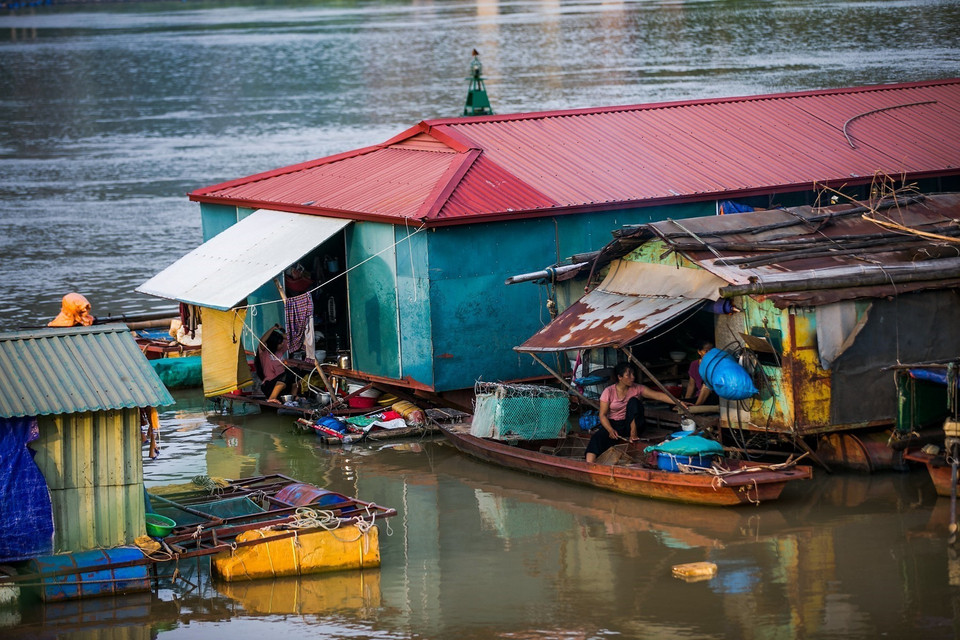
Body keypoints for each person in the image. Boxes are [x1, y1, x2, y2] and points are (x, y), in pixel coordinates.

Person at [585, 362, 687, 463]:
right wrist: (610, 430)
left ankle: (633, 434)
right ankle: (590, 465)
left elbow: (658, 395)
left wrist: (679, 402)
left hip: (635, 425)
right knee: (597, 438)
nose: (632, 377)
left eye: (633, 374)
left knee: (633, 401)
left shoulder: (637, 388)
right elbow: (602, 415)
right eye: (628, 375)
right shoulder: (608, 391)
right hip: (615, 424)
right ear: (620, 377)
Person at [255, 324, 296, 404]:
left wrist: (279, 333)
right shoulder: (265, 353)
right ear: (273, 343)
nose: (282, 345)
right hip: (270, 386)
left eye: (281, 343)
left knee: (295, 371)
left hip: (282, 385)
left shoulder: (280, 351)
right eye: (279, 343)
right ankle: (271, 398)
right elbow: (262, 341)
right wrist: (273, 328)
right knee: (287, 373)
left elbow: (291, 339)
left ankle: (293, 398)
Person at [684, 340, 716, 406]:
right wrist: (686, 401)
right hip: (699, 397)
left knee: (707, 385)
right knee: (674, 405)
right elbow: (691, 385)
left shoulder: (716, 363)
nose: (709, 353)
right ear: (699, 352)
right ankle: (693, 407)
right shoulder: (694, 364)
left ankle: (696, 407)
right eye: (706, 351)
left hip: (713, 397)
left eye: (711, 351)